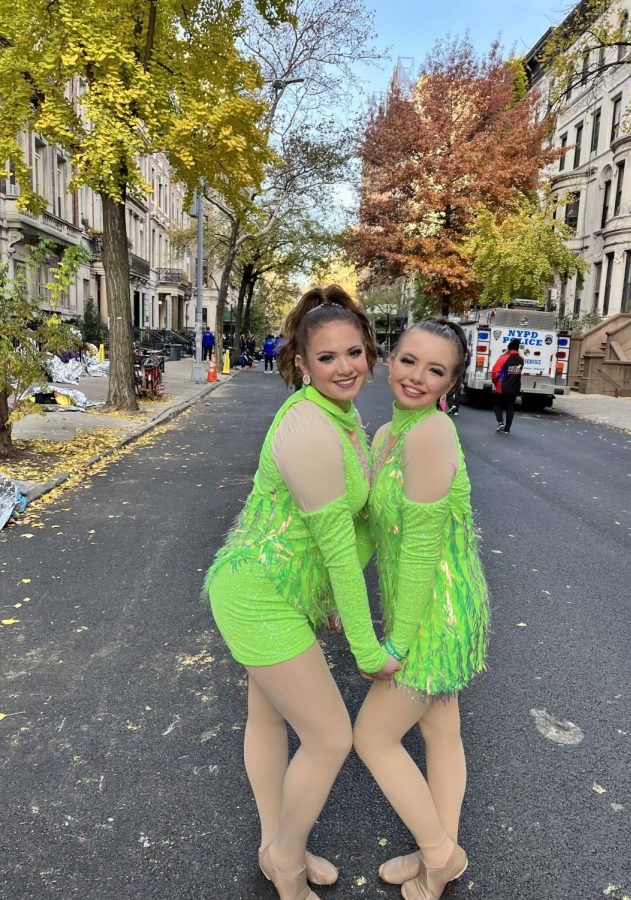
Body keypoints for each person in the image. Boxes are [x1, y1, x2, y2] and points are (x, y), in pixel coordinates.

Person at [204, 285, 400, 900]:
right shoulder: (309, 430)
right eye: (327, 358)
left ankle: (274, 847)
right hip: (256, 593)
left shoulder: (344, 417)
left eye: (354, 353)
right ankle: (286, 864)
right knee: (330, 737)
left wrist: (327, 604)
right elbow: (340, 550)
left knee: (267, 716)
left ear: (369, 352)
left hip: (286, 589)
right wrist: (367, 648)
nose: (344, 367)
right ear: (301, 363)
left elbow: (357, 526)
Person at [353, 318, 490, 900]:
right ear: (390, 358)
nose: (417, 377)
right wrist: (334, 595)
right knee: (441, 731)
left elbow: (421, 553)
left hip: (437, 610)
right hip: (424, 603)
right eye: (409, 360)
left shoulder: (431, 436)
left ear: (451, 382)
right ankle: (437, 853)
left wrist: (397, 643)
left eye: (435, 370)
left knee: (372, 739)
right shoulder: (387, 434)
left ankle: (441, 855)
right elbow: (372, 529)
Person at [491, 337, 524, 434]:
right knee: (510, 407)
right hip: (515, 387)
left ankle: (501, 422)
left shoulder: (503, 359)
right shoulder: (521, 359)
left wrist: (495, 383)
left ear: (508, 349)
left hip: (502, 387)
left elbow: (495, 373)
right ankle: (507, 429)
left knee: (497, 405)